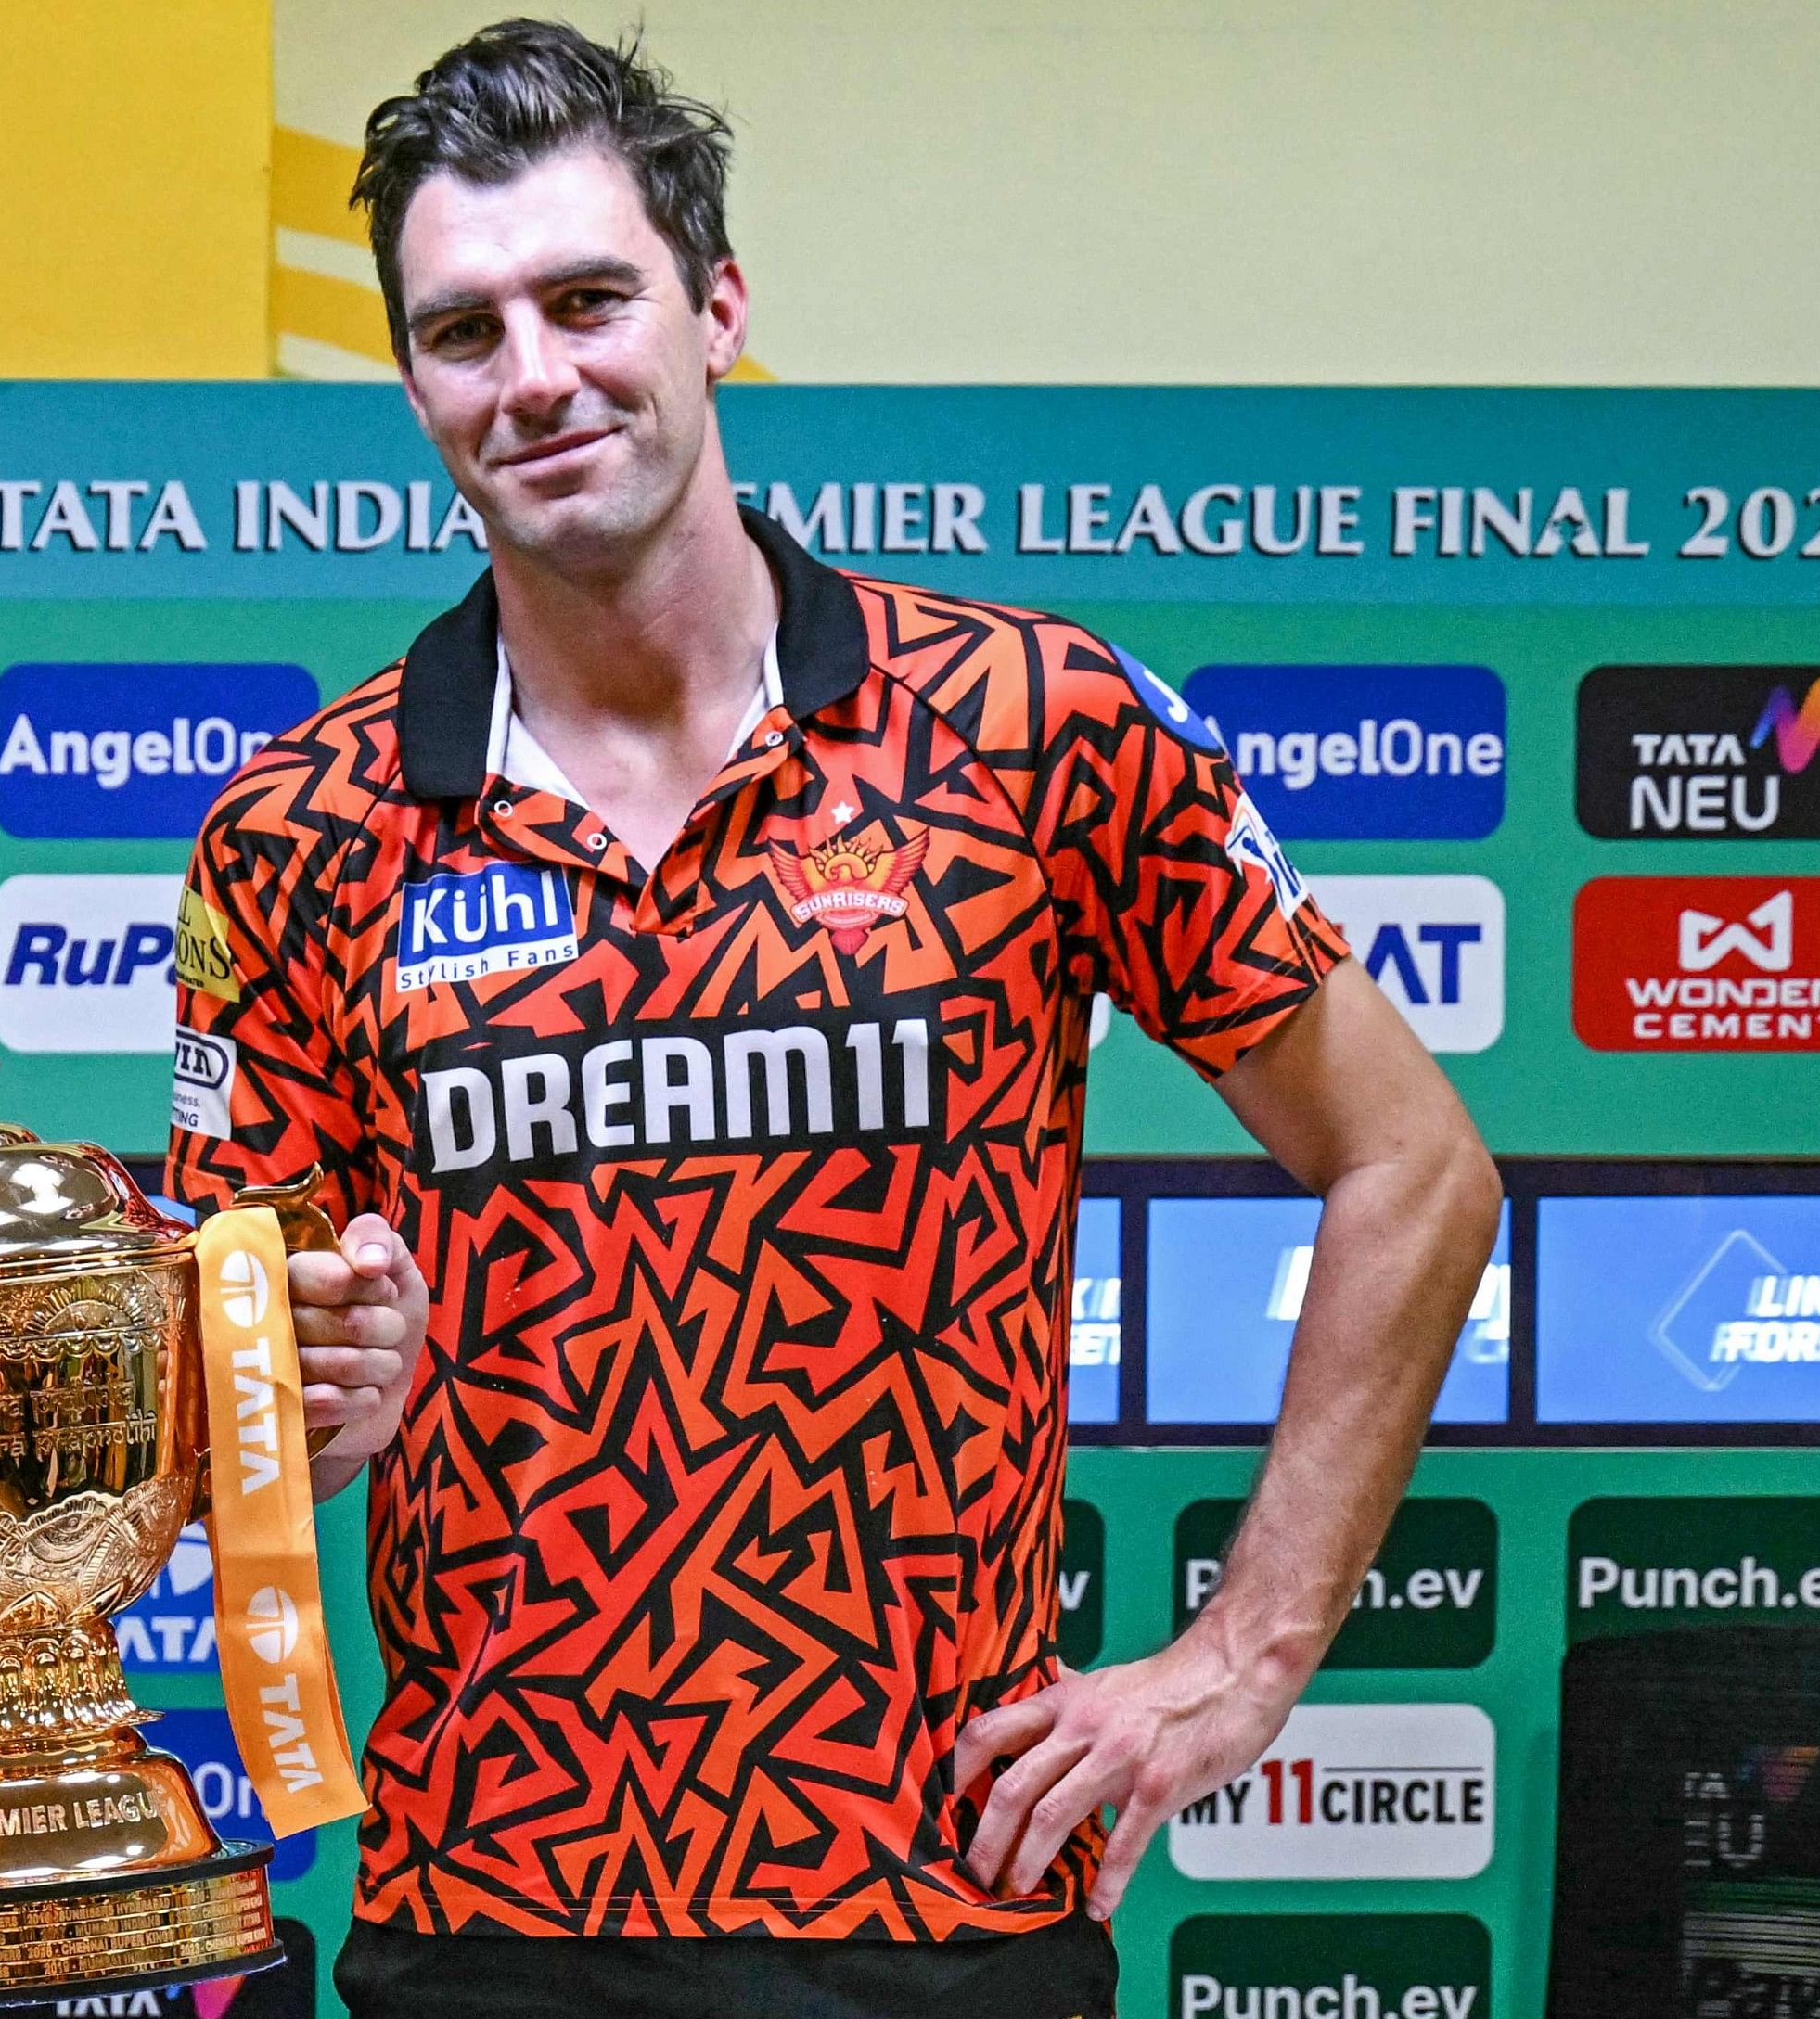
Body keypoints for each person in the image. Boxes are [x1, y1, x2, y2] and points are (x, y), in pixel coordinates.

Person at [169, 21, 1502, 2018]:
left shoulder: (1029, 723)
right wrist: (302, 1408)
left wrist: (1243, 1655)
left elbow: (1412, 1162)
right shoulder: (293, 833)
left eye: (588, 299)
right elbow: (238, 1396)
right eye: (462, 333)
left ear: (716, 306)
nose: (532, 376)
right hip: (487, 1917)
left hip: (945, 1902)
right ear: (414, 382)